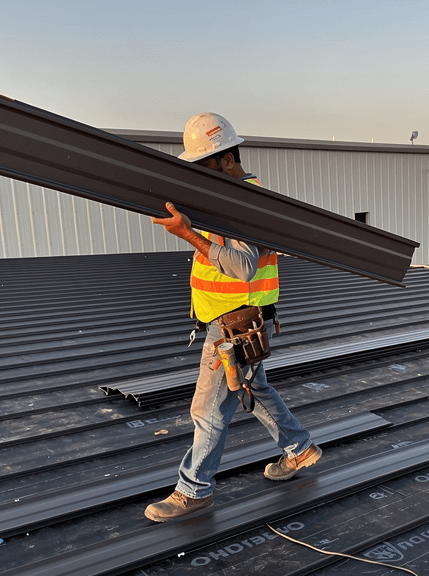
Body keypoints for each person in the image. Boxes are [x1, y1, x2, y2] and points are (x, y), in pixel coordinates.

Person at [144, 113, 320, 522]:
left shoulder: (246, 202)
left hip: (233, 327)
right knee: (255, 390)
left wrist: (189, 235)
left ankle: (194, 490)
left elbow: (243, 265)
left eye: (203, 167)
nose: (199, 178)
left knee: (207, 411)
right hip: (238, 320)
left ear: (226, 160)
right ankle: (299, 449)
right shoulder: (227, 197)